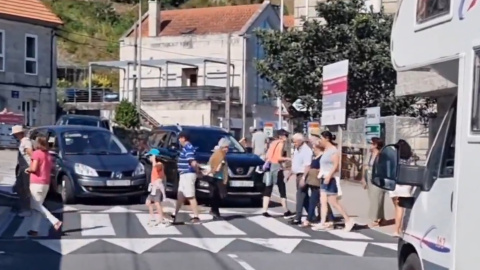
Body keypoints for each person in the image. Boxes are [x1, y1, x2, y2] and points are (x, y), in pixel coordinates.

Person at [313, 130, 355, 232]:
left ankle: (348, 220)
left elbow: (336, 165)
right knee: (323, 201)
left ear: (327, 138)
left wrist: (329, 176)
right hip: (323, 177)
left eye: (321, 139)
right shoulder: (326, 150)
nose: (320, 141)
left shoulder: (333, 150)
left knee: (333, 202)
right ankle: (323, 222)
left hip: (330, 179)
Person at [26, 136, 62, 236]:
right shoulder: (48, 155)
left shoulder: (37, 153)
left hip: (36, 183)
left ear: (38, 143)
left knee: (35, 205)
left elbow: (34, 168)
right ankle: (34, 230)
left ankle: (54, 221)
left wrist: (27, 170)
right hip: (45, 183)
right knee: (38, 207)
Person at [261, 129, 293, 217]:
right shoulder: (281, 144)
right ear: (281, 136)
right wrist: (288, 159)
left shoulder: (273, 143)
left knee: (268, 188)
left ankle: (264, 210)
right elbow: (279, 157)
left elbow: (267, 156)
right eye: (286, 135)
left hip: (269, 167)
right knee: (282, 189)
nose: (287, 137)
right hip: (277, 168)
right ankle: (286, 210)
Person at [302, 142, 335, 227]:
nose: (313, 149)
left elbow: (325, 167)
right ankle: (330, 218)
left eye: (314, 148)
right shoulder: (316, 157)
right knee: (322, 201)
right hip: (313, 182)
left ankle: (308, 219)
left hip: (318, 182)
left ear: (318, 148)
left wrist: (318, 170)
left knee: (313, 201)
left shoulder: (322, 157)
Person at [172, 131, 201, 224]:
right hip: (184, 174)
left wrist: (198, 171)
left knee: (190, 196)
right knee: (180, 196)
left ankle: (196, 217)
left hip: (188, 174)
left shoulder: (188, 148)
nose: (179, 140)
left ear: (183, 138)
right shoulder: (187, 148)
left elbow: (192, 161)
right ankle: (174, 214)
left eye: (180, 138)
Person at [389, 139, 413, 237]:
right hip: (405, 185)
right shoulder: (410, 159)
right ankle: (399, 229)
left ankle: (397, 229)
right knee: (402, 209)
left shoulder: (394, 159)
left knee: (397, 208)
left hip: (395, 185)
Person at [361, 137, 386, 227]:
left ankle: (374, 219)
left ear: (375, 145)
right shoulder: (370, 154)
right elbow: (364, 166)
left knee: (377, 198)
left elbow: (384, 168)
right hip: (369, 177)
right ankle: (381, 218)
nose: (369, 145)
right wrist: (363, 178)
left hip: (378, 178)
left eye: (371, 143)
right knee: (373, 198)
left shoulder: (382, 155)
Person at [289, 133, 313, 225]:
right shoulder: (297, 149)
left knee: (300, 195)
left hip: (303, 175)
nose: (294, 143)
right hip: (298, 174)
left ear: (300, 141)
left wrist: (303, 178)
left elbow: (307, 165)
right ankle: (312, 216)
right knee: (305, 197)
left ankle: (297, 217)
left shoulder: (306, 151)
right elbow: (295, 162)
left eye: (295, 141)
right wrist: (290, 174)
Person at [204, 138, 230, 219]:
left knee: (215, 194)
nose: (227, 149)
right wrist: (219, 167)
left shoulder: (218, 153)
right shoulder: (221, 154)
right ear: (223, 147)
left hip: (213, 176)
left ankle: (214, 210)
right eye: (227, 147)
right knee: (220, 194)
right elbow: (218, 167)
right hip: (217, 177)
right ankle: (215, 211)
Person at [11, 125, 33, 216]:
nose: (14, 136)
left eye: (15, 134)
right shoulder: (22, 142)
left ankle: (27, 209)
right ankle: (23, 207)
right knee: (20, 188)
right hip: (22, 168)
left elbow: (31, 154)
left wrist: (31, 167)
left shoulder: (25, 142)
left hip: (26, 168)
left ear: (19, 133)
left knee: (25, 189)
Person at [145, 149, 169, 226]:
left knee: (157, 203)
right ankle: (152, 217)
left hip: (158, 187)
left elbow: (156, 166)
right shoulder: (155, 164)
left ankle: (161, 218)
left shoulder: (159, 164)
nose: (149, 158)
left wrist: (154, 158)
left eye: (150, 156)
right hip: (153, 187)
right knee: (148, 202)